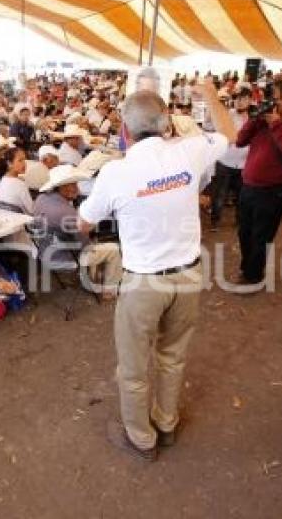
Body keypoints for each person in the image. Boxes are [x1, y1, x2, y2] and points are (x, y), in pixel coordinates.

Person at [77, 81, 237, 461]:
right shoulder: (190, 151)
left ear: (124, 130)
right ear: (167, 123)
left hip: (143, 282)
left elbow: (83, 224)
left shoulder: (116, 172)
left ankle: (141, 438)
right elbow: (230, 134)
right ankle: (166, 423)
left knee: (133, 368)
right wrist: (211, 94)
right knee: (172, 356)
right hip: (187, 276)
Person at [233, 80, 282, 290]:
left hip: (273, 190)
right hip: (249, 185)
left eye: (275, 99)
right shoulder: (261, 118)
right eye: (268, 99)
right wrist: (254, 120)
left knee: (261, 235)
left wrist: (276, 124)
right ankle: (248, 268)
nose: (270, 104)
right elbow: (239, 141)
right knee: (244, 232)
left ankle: (253, 276)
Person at [35, 164, 122, 299]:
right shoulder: (66, 212)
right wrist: (90, 230)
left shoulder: (41, 198)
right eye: (73, 184)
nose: (77, 188)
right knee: (114, 249)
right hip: (64, 259)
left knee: (94, 242)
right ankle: (109, 291)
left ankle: (91, 278)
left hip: (44, 252)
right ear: (62, 187)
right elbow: (84, 245)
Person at [209, 88, 251, 229]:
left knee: (241, 197)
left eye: (243, 99)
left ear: (250, 101)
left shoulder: (254, 119)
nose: (239, 102)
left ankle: (239, 221)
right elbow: (211, 126)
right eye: (237, 98)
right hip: (225, 161)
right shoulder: (227, 115)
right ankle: (215, 221)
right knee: (220, 195)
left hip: (244, 165)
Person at [0, 147, 33, 214]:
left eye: (24, 160)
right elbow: (32, 210)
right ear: (9, 164)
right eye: (20, 160)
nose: (24, 164)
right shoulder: (20, 184)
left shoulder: (1, 180)